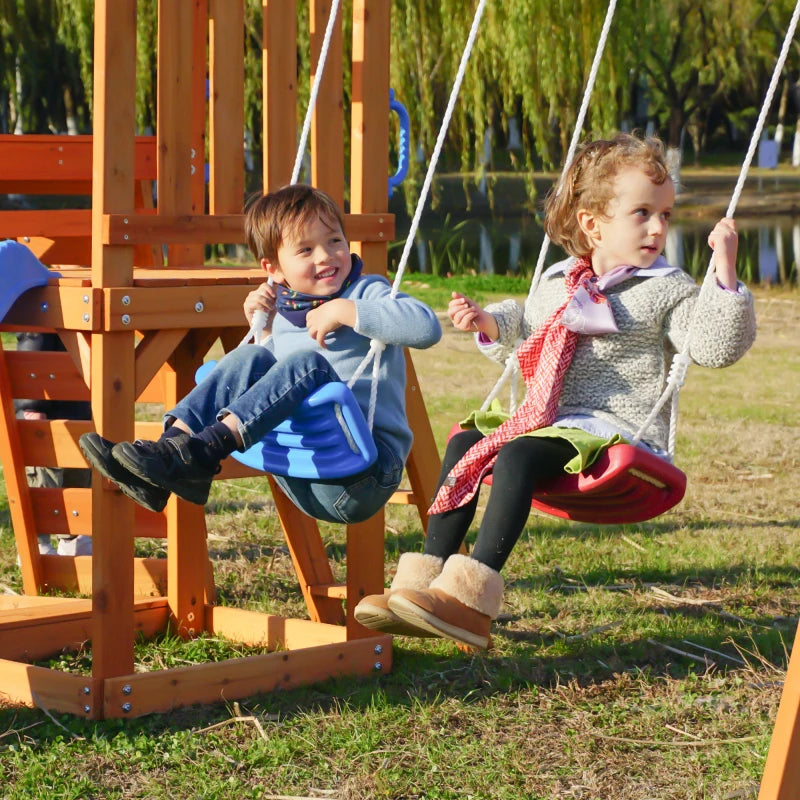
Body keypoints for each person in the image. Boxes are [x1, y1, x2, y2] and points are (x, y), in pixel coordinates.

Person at [354, 133, 757, 649]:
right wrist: (489, 323)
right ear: (592, 223)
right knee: (463, 445)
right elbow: (529, 329)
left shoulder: (668, 288)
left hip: (612, 427)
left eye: (665, 215)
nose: (658, 228)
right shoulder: (561, 278)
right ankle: (420, 586)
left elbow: (713, 346)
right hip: (550, 416)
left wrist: (724, 275)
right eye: (641, 213)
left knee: (518, 456)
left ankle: (471, 602)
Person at [78, 184, 442, 524]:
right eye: (305, 250)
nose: (327, 255)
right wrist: (264, 330)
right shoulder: (284, 312)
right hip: (301, 472)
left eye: (335, 240)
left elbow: (426, 328)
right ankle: (171, 453)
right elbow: (278, 387)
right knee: (246, 358)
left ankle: (204, 452)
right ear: (273, 269)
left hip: (364, 476)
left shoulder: (366, 290)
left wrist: (347, 311)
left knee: (306, 365)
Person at [14, 332, 93, 556]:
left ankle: (74, 536)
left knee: (77, 467)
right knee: (43, 474)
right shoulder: (43, 304)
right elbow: (32, 342)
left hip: (75, 400)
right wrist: (32, 404)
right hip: (44, 404)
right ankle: (38, 541)